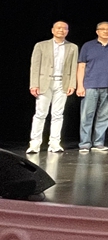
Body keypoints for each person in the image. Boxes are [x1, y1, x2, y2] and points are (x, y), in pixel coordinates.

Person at [27, 21, 78, 154]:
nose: (61, 30)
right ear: (53, 30)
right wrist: (34, 84)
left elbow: (73, 67)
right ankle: (35, 143)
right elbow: (35, 66)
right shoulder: (41, 45)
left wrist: (72, 84)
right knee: (40, 113)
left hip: (62, 83)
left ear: (67, 31)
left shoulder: (73, 47)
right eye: (58, 28)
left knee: (58, 114)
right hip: (44, 82)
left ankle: (55, 143)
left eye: (64, 28)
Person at [76, 21, 108, 153]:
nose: (106, 31)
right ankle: (84, 144)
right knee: (86, 116)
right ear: (97, 31)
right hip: (90, 86)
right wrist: (80, 85)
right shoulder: (88, 46)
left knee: (105, 116)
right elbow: (81, 66)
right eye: (102, 29)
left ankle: (98, 143)